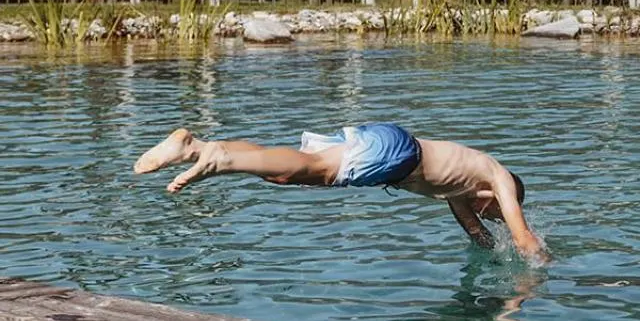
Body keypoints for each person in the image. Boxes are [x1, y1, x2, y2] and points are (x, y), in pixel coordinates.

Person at [133, 124, 547, 260]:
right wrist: (545, 267)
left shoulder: (463, 191)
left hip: (391, 147)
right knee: (314, 170)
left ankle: (198, 148)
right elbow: (524, 239)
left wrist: (489, 246)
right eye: (494, 213)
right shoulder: (498, 178)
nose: (488, 214)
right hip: (397, 156)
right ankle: (222, 159)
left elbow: (477, 235)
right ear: (499, 198)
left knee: (288, 173)